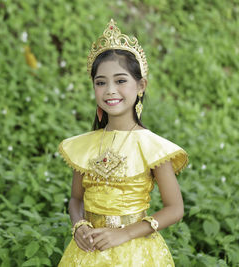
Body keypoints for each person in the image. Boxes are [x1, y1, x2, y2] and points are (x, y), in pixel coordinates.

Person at [57, 19, 188, 266]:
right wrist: (79, 226)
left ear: (140, 86)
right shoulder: (83, 147)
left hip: (136, 252)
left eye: (120, 81)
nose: (109, 90)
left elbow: (175, 209)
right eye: (100, 82)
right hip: (88, 252)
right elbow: (76, 199)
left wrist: (125, 233)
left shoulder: (152, 147)